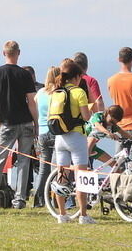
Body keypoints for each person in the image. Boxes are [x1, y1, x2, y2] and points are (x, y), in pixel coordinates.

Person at [0, 41, 37, 210]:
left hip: (7, 123)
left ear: (4, 53)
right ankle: (19, 201)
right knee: (24, 162)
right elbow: (32, 102)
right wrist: (36, 123)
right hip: (25, 122)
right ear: (18, 53)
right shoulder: (25, 75)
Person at [48, 59, 95, 224]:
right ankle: (83, 215)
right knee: (81, 176)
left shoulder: (56, 92)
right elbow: (87, 117)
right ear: (77, 77)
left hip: (60, 138)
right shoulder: (78, 92)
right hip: (76, 138)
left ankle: (62, 214)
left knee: (61, 176)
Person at [32, 66, 59, 208]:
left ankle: (39, 198)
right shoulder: (57, 93)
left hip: (42, 132)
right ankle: (57, 199)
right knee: (57, 168)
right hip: (55, 132)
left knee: (43, 168)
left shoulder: (40, 92)